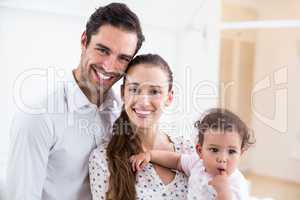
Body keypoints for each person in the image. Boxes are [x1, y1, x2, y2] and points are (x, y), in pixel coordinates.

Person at [7, 3, 144, 200]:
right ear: (84, 40)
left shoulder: (124, 114)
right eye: (103, 50)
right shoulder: (38, 116)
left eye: (122, 58)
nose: (109, 66)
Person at [89, 54, 194, 200]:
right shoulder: (103, 159)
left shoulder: (187, 149)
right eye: (134, 89)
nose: (144, 101)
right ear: (122, 94)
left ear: (169, 98)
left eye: (154, 92)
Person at [130, 108, 255, 200]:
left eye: (232, 152)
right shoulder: (197, 164)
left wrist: (224, 193)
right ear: (200, 151)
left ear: (241, 154)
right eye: (214, 150)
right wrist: (150, 155)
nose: (222, 159)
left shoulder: (236, 183)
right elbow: (177, 160)